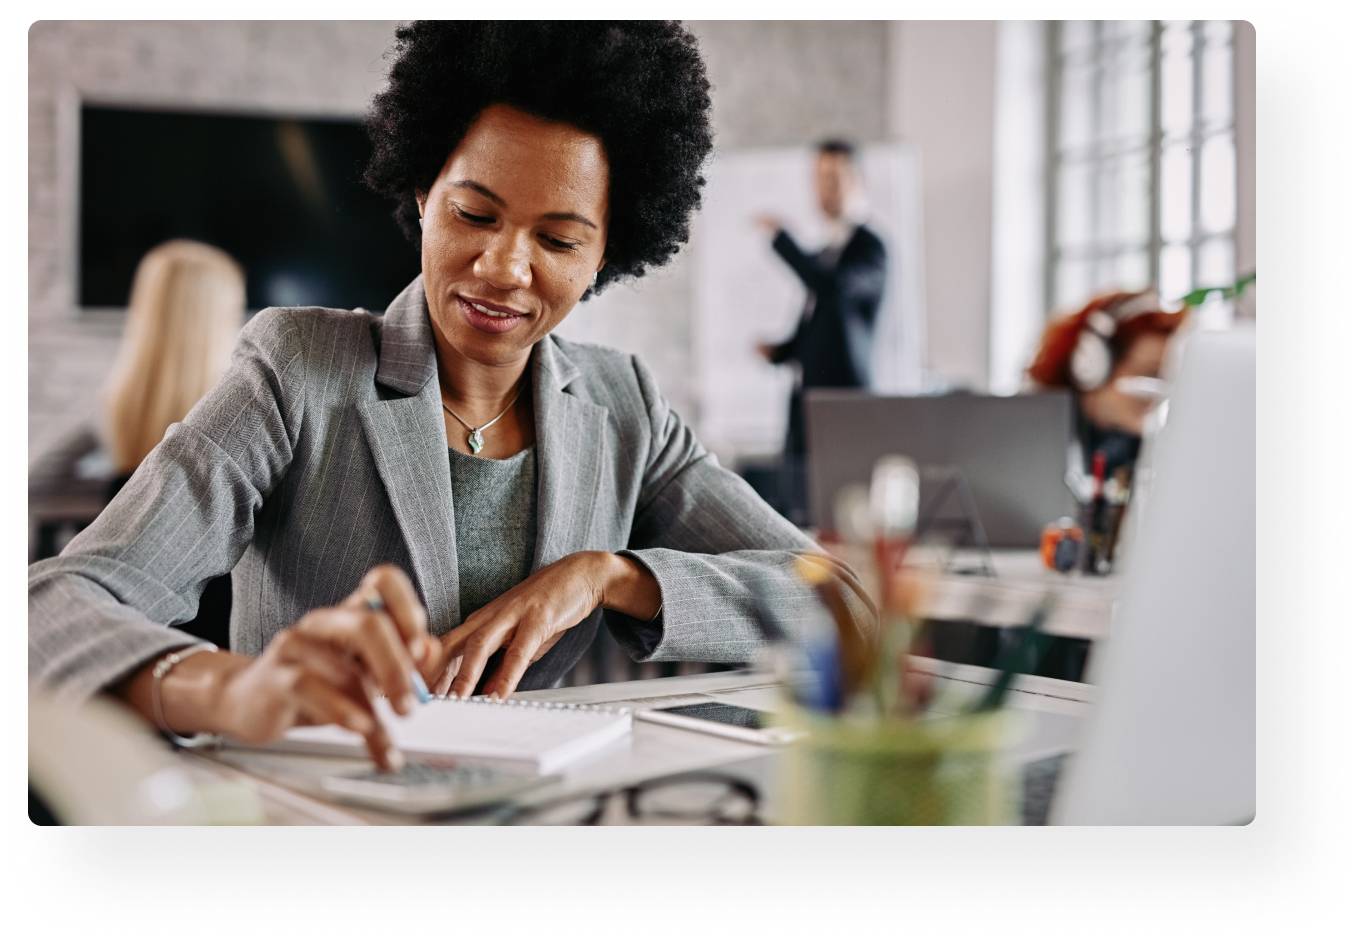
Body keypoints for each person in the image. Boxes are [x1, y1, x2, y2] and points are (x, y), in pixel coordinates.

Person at [28, 22, 874, 771]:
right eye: (474, 215)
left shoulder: (626, 408)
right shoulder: (297, 370)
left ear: (606, 254)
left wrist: (609, 576)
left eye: (558, 240)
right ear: (424, 193)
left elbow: (842, 605)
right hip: (313, 822)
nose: (504, 268)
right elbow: (51, 607)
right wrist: (233, 689)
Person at [29, 239, 246, 646]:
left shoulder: (108, 411)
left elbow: (34, 487)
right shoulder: (246, 415)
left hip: (132, 638)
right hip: (220, 647)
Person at [753, 139, 887, 522]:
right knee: (798, 509)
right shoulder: (827, 250)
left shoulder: (870, 248)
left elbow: (832, 288)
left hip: (842, 407)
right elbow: (821, 324)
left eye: (835, 177)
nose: (826, 188)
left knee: (836, 514)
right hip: (805, 402)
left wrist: (783, 241)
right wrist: (782, 352)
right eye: (820, 178)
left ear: (858, 181)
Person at [1026, 289, 1189, 475]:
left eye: (1168, 377)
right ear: (1092, 367)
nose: (1158, 389)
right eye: (1150, 373)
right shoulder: (1032, 441)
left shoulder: (1148, 450)